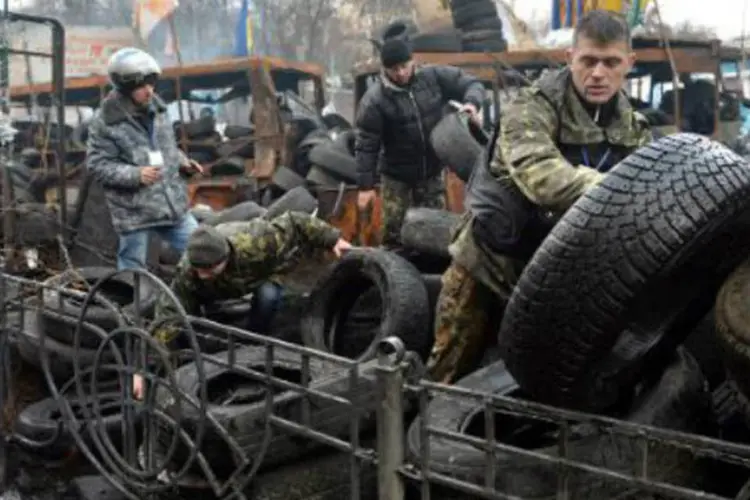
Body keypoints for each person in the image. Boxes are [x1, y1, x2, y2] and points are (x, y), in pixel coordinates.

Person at [426, 9, 654, 384]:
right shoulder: (531, 107)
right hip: (492, 259)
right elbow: (542, 178)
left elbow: (656, 191)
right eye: (589, 61)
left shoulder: (634, 127)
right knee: (450, 369)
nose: (598, 73)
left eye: (611, 62)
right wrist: (619, 191)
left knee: (557, 378)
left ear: (629, 63)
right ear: (570, 58)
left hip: (561, 271)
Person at [132, 212, 352, 398]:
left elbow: (295, 222)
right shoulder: (190, 273)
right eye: (199, 269)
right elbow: (167, 315)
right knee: (187, 321)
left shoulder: (256, 241)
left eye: (209, 269)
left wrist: (332, 239)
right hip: (215, 292)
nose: (203, 274)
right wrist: (142, 367)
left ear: (225, 258)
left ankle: (255, 343)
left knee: (268, 297)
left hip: (260, 275)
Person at [355, 38, 485, 247]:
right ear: (384, 69)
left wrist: (472, 104)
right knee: (395, 238)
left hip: (432, 175)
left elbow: (471, 83)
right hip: (397, 179)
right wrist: (365, 187)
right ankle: (394, 276)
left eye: (404, 66)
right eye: (393, 69)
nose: (400, 73)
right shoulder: (374, 101)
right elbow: (366, 145)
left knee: (435, 236)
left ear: (412, 61)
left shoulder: (433, 77)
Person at [87, 47, 204, 270]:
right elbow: (97, 165)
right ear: (125, 87)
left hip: (171, 205)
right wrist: (135, 175)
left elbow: (166, 148)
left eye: (151, 84)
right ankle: (133, 304)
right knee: (133, 271)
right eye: (141, 86)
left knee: (203, 249)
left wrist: (182, 163)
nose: (149, 91)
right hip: (135, 211)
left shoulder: (158, 109)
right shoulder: (106, 121)